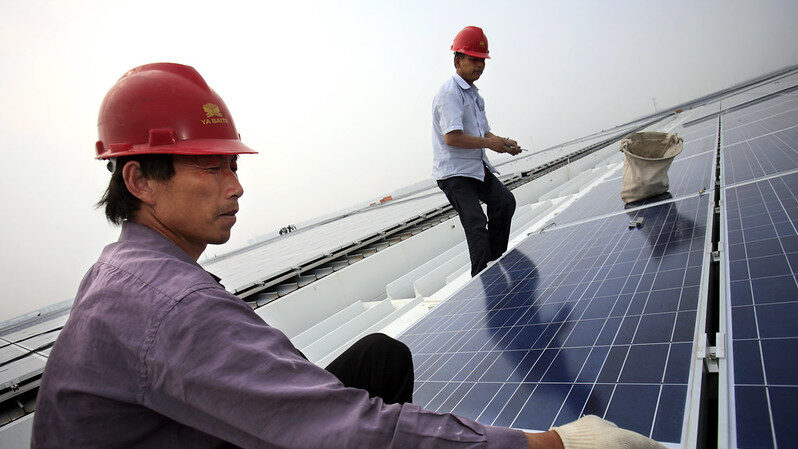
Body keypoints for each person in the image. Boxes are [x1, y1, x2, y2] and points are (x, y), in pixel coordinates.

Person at [32, 63, 665, 449]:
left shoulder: (124, 273)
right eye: (209, 167)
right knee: (353, 421)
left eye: (232, 163)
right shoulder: (172, 305)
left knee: (378, 358)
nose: (236, 184)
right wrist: (553, 444)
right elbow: (344, 433)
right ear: (139, 180)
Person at [432, 26, 522, 277]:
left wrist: (503, 142)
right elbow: (452, 138)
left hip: (474, 167)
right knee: (475, 224)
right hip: (455, 173)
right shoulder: (449, 94)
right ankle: (482, 277)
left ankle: (493, 262)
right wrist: (489, 144)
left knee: (504, 202)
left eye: (482, 60)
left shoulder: (473, 95)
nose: (479, 65)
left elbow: (485, 134)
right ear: (457, 61)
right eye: (473, 59)